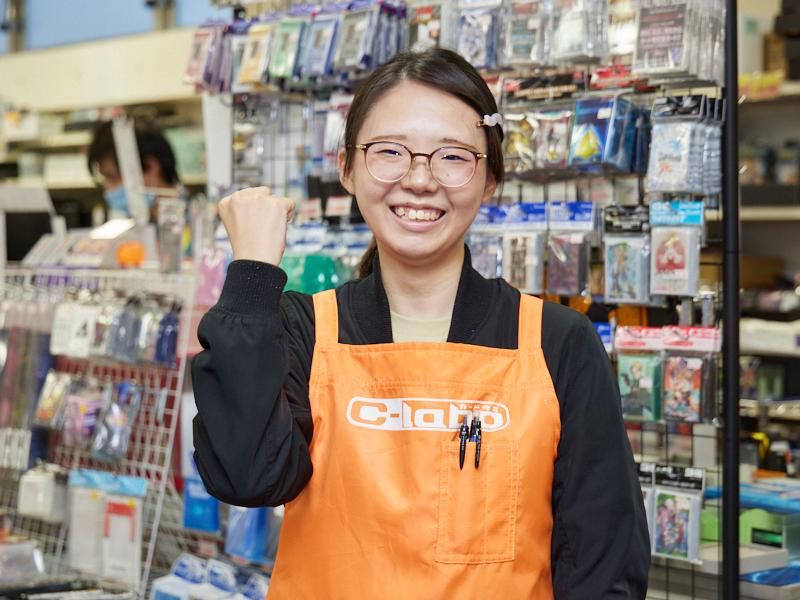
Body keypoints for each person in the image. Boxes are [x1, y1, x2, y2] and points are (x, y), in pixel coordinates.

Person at [192, 48, 650, 598]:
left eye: (452, 156)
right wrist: (252, 275)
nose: (419, 179)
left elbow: (603, 567)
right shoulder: (303, 331)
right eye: (390, 151)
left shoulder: (557, 344)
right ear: (347, 168)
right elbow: (247, 477)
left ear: (490, 178)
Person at [87, 120, 180, 220]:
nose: (108, 190)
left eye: (112, 177)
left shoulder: (188, 222)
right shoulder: (137, 218)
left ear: (151, 167)